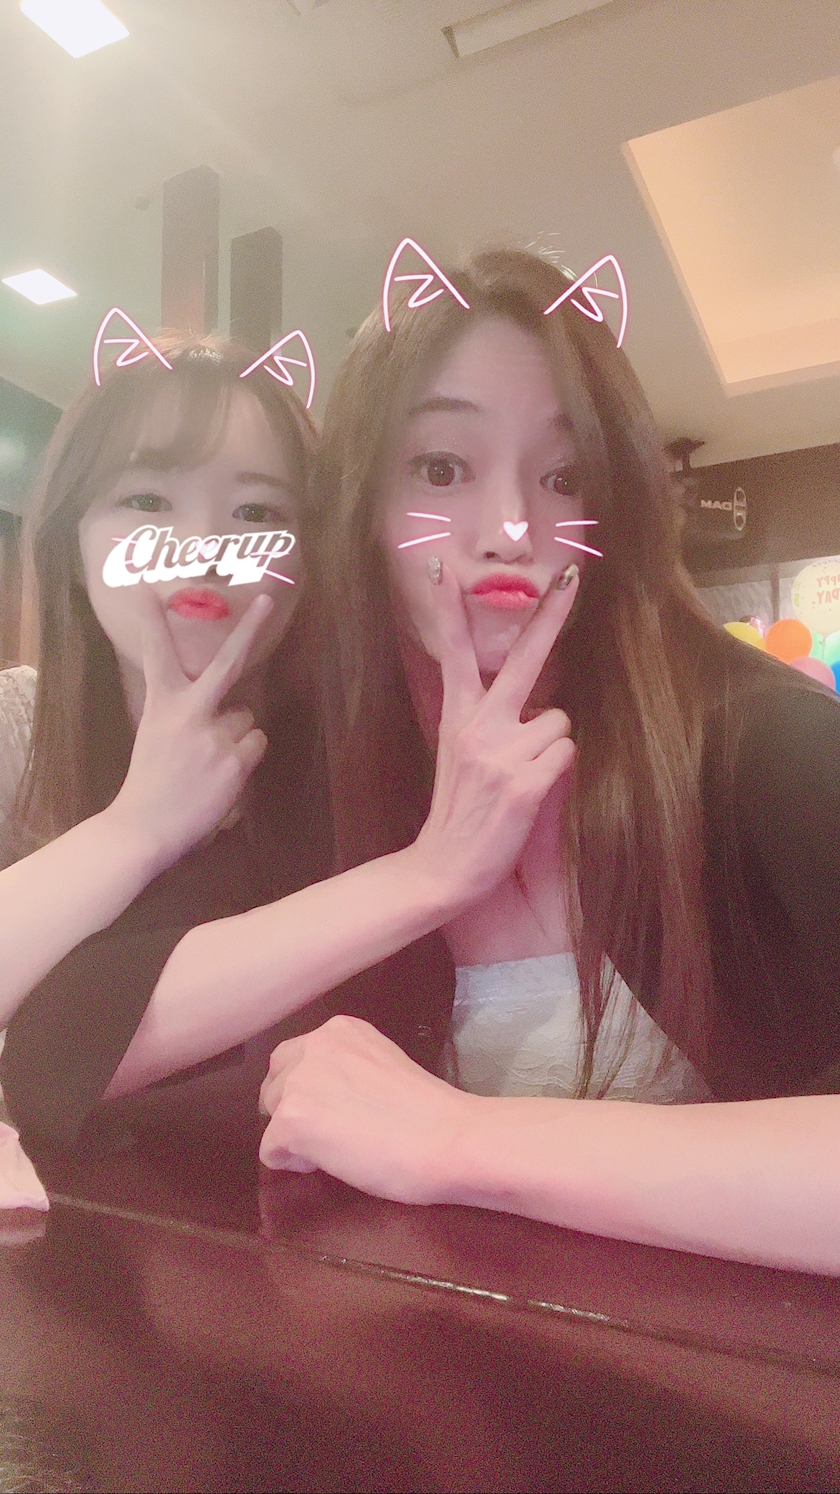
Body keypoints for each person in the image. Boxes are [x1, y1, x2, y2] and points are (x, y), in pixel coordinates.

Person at [258, 247, 840, 1276]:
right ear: (363, 505)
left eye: (564, 478)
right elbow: (69, 1047)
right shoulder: (308, 764)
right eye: (443, 468)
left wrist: (453, 1139)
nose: (511, 531)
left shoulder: (765, 749)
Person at [0, 328, 578, 1161]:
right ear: (71, 546)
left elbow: (55, 1046)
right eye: (149, 501)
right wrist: (137, 827)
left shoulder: (360, 756)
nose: (205, 550)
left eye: (258, 514)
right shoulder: (18, 731)